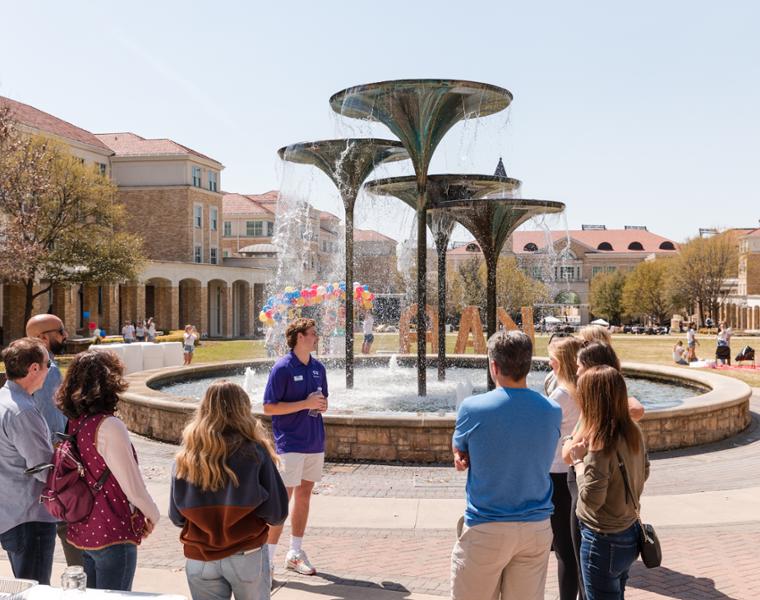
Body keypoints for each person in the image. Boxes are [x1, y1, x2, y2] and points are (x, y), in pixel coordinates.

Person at [451, 330, 562, 600]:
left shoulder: (472, 408)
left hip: (487, 525)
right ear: (528, 364)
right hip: (536, 527)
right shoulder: (552, 410)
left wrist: (461, 456)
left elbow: (460, 450)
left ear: (494, 366)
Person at [170, 381, 289, 599]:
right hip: (247, 554)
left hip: (200, 557)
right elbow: (277, 513)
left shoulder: (185, 456)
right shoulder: (255, 452)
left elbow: (177, 517)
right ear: (243, 409)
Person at [57, 351, 160, 591]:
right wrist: (153, 516)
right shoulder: (109, 426)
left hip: (84, 528)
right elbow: (132, 485)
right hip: (113, 529)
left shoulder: (75, 422)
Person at [566, 366, 649, 599]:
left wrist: (578, 462)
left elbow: (592, 500)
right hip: (629, 531)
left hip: (603, 539)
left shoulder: (601, 443)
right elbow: (646, 470)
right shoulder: (633, 431)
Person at [263, 318, 328, 578]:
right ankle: (266, 561)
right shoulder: (281, 368)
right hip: (289, 443)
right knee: (282, 500)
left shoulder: (318, 368)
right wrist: (304, 403)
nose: (316, 338)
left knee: (305, 495)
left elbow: (323, 403)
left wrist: (320, 405)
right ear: (300, 337)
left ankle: (295, 552)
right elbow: (269, 407)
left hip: (314, 440)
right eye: (313, 334)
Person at [26, 314, 83, 567]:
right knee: (69, 527)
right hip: (54, 468)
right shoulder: (48, 370)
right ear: (42, 338)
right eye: (60, 331)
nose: (65, 335)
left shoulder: (28, 367)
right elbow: (54, 428)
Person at [0, 338, 57, 584]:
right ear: (34, 368)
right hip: (30, 517)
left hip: (11, 514)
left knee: (25, 588)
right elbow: (44, 469)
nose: (49, 371)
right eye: (47, 365)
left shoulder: (5, 400)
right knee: (35, 591)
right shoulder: (22, 410)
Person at [547, 336, 584, 600]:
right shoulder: (582, 389)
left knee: (564, 550)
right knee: (576, 546)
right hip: (574, 472)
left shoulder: (560, 395)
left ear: (557, 363)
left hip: (557, 474)